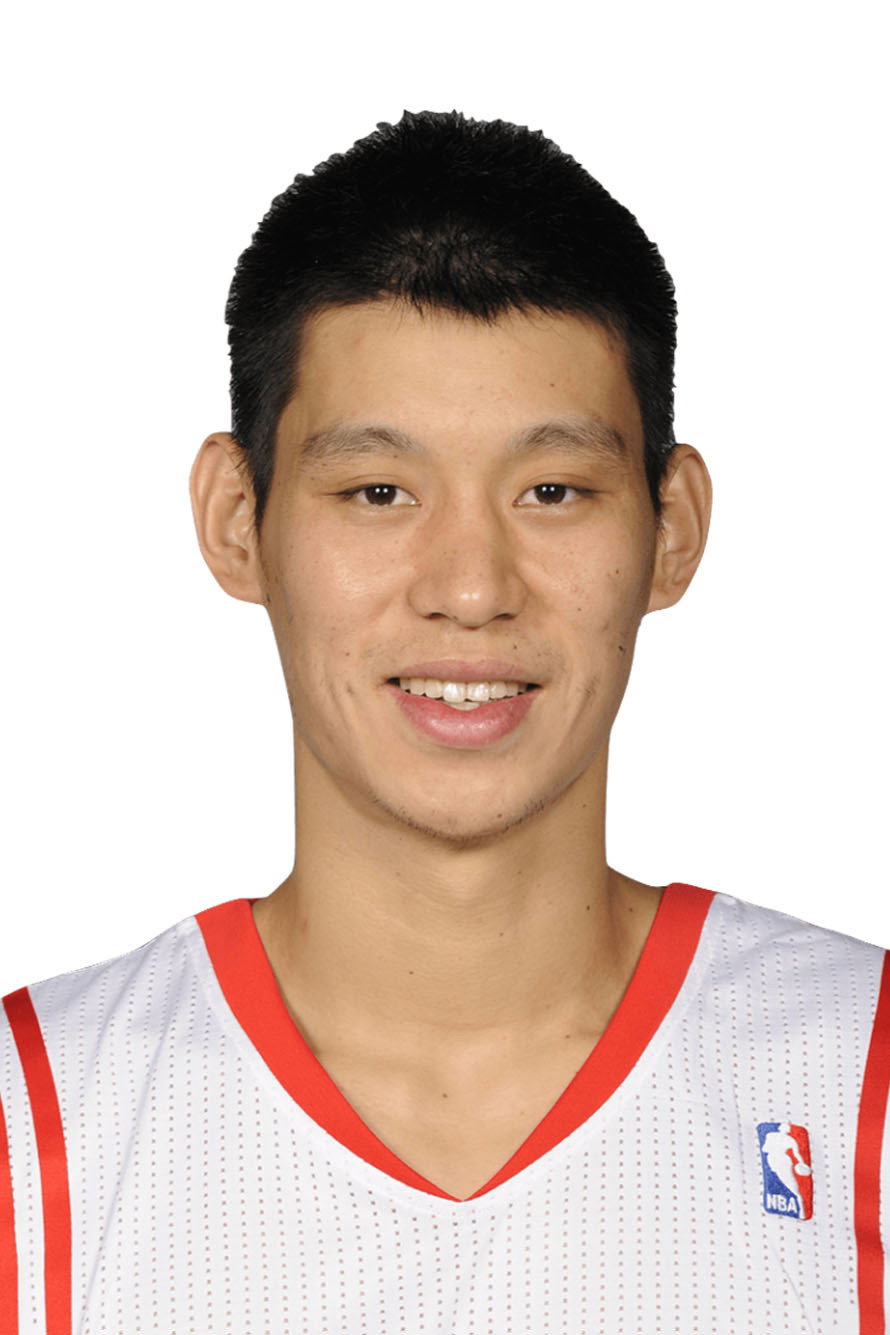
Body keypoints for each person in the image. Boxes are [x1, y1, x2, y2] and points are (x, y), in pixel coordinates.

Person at [1, 108, 887, 1334]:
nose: (470, 589)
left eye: (551, 490)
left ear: (671, 529)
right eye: (378, 491)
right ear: (236, 520)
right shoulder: (34, 1131)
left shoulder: (859, 1084)